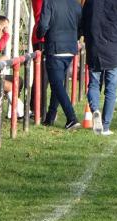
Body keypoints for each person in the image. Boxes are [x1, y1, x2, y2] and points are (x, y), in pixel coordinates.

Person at [36, 0, 82, 129]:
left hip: (55, 47)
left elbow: (44, 25)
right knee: (58, 83)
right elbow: (81, 25)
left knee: (56, 85)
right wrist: (75, 37)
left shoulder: (49, 2)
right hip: (70, 48)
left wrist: (39, 35)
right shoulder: (75, 4)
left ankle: (71, 117)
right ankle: (50, 117)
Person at [82, 0, 117, 136]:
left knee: (93, 83)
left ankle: (95, 110)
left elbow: (83, 20)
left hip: (95, 46)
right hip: (115, 48)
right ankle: (105, 126)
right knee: (111, 89)